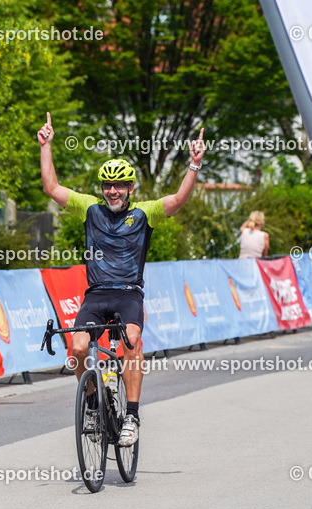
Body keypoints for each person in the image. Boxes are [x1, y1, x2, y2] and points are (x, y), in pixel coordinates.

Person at [38, 111, 205, 446]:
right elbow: (51, 187)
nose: (113, 191)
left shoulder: (145, 212)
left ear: (130, 188)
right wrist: (46, 145)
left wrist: (194, 165)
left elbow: (178, 200)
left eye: (119, 186)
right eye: (108, 185)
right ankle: (90, 402)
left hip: (129, 294)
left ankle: (132, 415)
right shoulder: (90, 209)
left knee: (131, 341)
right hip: (96, 295)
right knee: (78, 346)